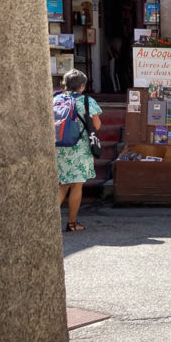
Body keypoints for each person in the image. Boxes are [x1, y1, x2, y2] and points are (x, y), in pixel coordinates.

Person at [56, 69, 102, 232]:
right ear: (82, 86)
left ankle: (47, 221)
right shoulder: (88, 101)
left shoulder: (55, 99)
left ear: (65, 84)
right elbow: (96, 126)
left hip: (59, 146)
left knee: (62, 185)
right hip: (80, 148)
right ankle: (72, 223)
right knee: (76, 186)